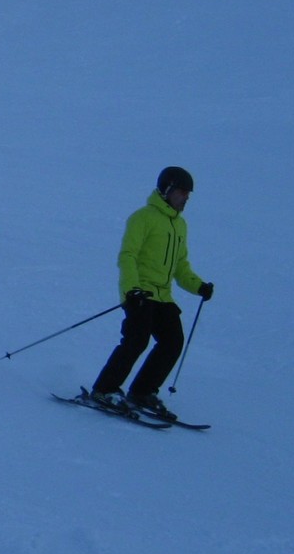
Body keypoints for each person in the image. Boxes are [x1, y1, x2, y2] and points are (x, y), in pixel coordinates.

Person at [87, 167, 215, 420]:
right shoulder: (142, 217)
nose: (185, 198)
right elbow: (128, 256)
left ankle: (142, 392)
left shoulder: (180, 226)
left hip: (163, 297)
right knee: (136, 340)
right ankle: (104, 390)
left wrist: (198, 285)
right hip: (140, 294)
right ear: (167, 190)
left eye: (188, 194)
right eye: (181, 192)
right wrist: (131, 290)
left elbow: (180, 266)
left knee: (172, 342)